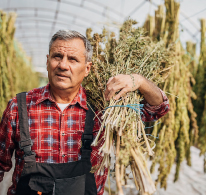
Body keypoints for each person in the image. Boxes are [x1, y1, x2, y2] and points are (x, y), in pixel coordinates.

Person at [0, 30, 169, 195]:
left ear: (87, 69)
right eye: (57, 56)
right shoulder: (19, 107)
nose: (63, 65)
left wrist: (139, 81)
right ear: (47, 61)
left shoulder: (104, 108)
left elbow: (158, 109)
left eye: (72, 59)